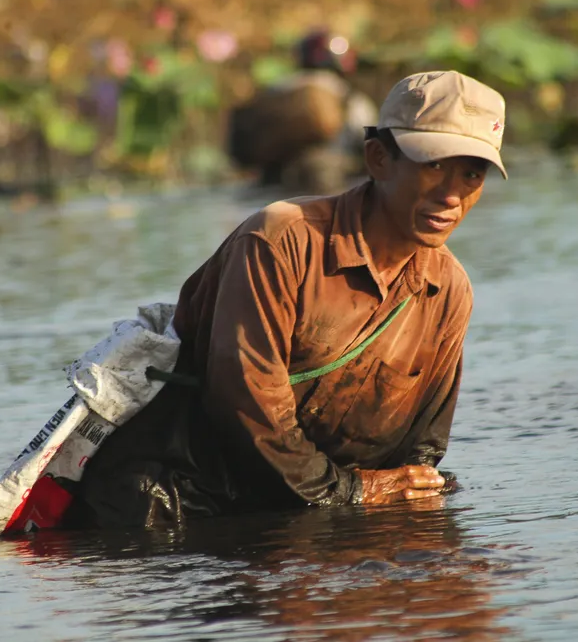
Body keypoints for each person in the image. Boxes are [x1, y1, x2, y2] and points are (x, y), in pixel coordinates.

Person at [66, 70, 507, 530]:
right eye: (433, 165)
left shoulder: (448, 291)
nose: (452, 195)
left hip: (302, 511)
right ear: (378, 159)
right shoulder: (280, 241)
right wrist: (354, 492)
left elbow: (421, 452)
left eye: (472, 173)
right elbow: (246, 406)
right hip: (173, 510)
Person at [226, 29, 379, 194]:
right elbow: (368, 140)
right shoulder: (347, 94)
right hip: (329, 176)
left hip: (273, 175)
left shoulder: (275, 89)